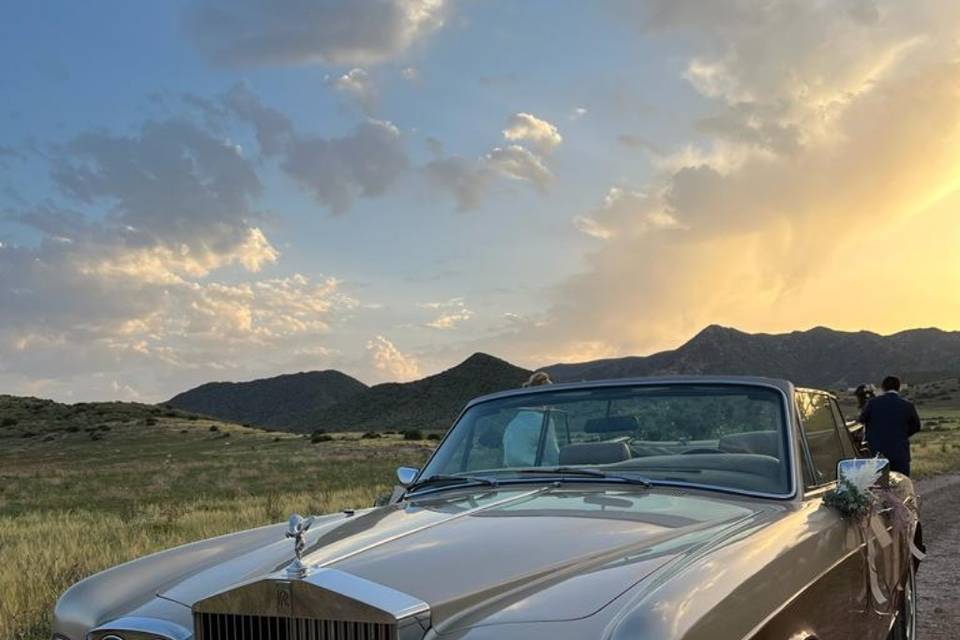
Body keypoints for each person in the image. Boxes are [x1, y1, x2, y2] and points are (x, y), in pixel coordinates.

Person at [858, 376, 922, 476]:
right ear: (899, 388)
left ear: (883, 388)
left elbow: (861, 421)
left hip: (876, 453)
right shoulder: (907, 405)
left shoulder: (872, 403)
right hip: (900, 453)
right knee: (901, 485)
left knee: (877, 486)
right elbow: (916, 426)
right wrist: (902, 434)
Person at [502, 371, 559, 467]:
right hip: (538, 473)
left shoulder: (514, 423)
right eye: (551, 396)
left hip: (514, 474)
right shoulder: (543, 421)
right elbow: (553, 456)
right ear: (545, 398)